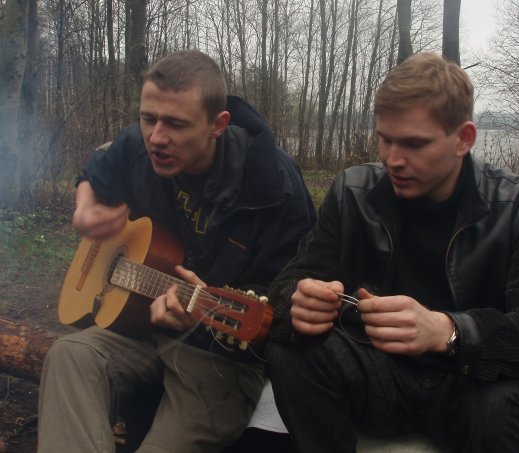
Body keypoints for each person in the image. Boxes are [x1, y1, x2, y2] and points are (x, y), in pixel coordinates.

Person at [266, 52, 519, 453]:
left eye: (414, 143)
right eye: (385, 139)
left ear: (464, 139)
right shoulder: (353, 193)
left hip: (468, 388)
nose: (392, 159)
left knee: (498, 402)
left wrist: (448, 331)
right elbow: (289, 283)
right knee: (291, 351)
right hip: (376, 376)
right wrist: (299, 301)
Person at [37, 50, 315, 453]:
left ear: (218, 124)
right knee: (70, 355)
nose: (156, 137)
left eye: (176, 124)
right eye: (148, 118)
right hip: (138, 330)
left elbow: (291, 296)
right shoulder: (139, 143)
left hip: (218, 357)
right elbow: (95, 172)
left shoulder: (274, 185)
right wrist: (84, 208)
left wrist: (201, 308)